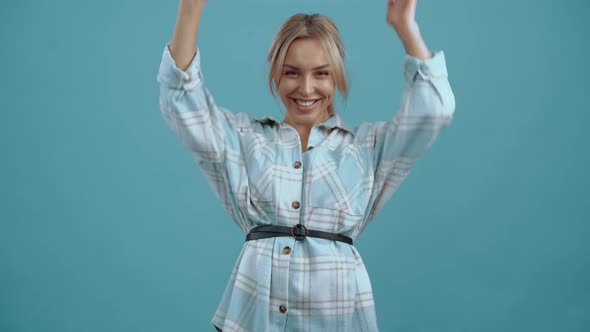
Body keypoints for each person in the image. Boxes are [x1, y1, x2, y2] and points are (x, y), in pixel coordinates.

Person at [157, 0, 455, 330]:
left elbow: (433, 111)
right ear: (276, 74)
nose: (307, 88)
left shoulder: (367, 148)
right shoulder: (244, 140)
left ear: (337, 76)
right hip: (254, 317)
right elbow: (182, 100)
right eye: (292, 72)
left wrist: (404, 25)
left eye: (321, 73)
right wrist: (191, 7)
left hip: (337, 317)